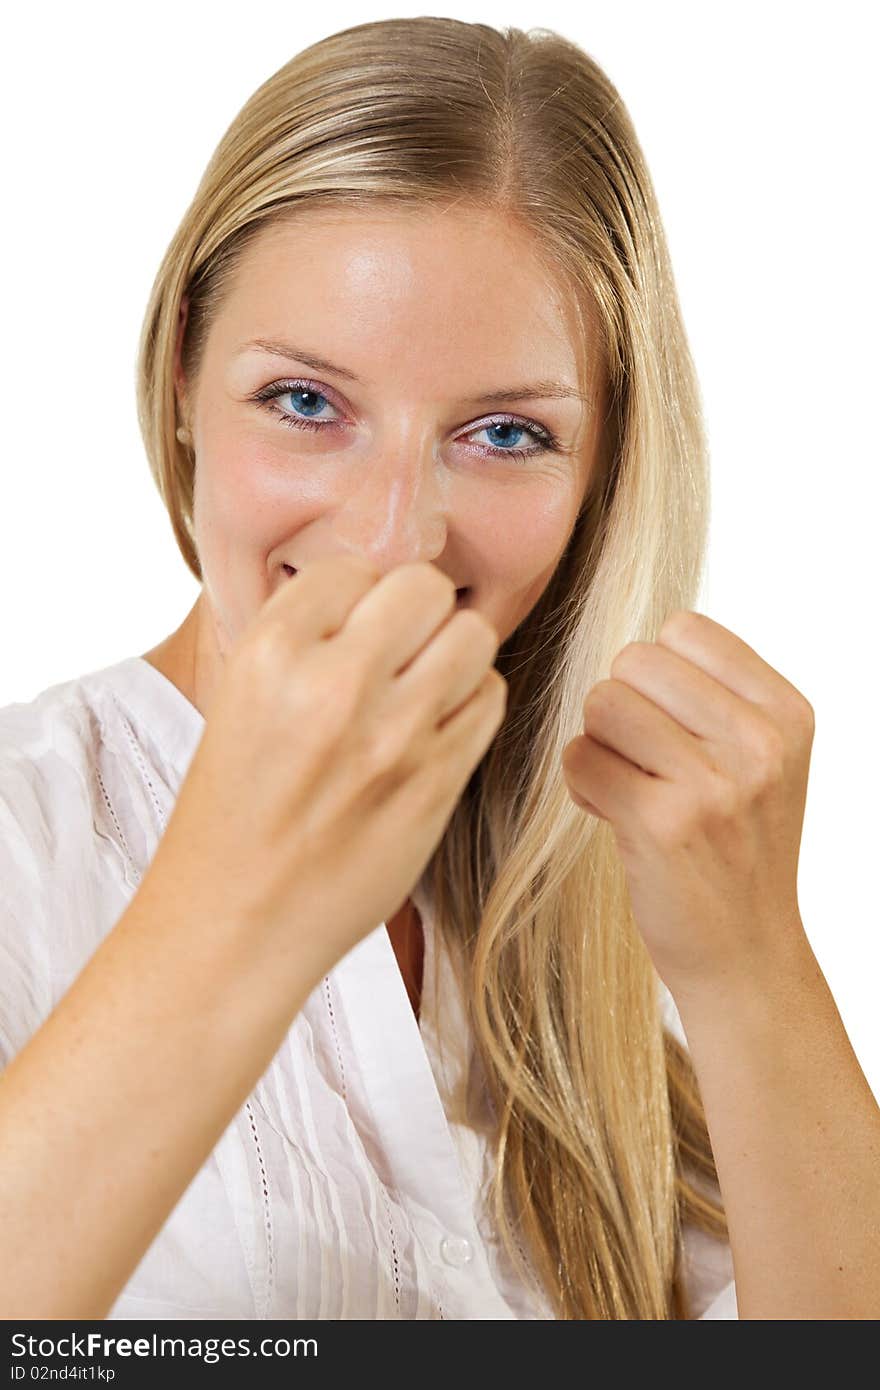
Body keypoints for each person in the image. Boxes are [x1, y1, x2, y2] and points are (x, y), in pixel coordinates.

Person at [2, 18, 877, 1323]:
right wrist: (237, 908)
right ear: (183, 372)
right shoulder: (28, 841)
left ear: (603, 470)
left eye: (507, 432)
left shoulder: (617, 919)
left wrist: (758, 970)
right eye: (306, 402)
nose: (393, 537)